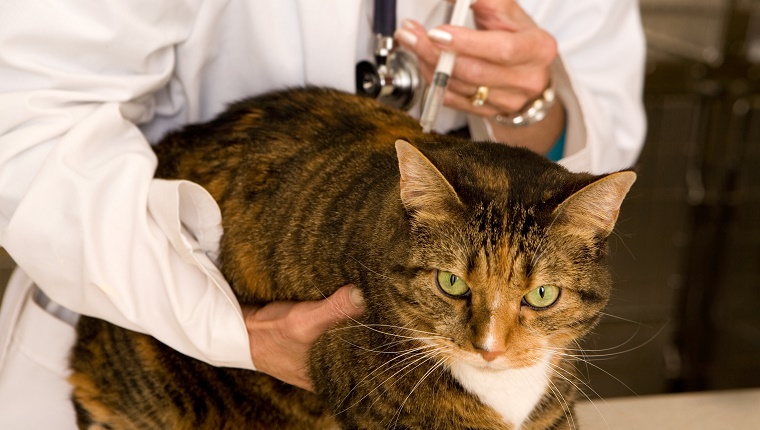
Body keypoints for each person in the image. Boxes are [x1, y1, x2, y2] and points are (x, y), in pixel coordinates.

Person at [0, 0, 646, 427]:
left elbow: (601, 159)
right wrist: (218, 326)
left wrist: (534, 109)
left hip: (441, 280)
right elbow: (25, 117)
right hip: (148, 305)